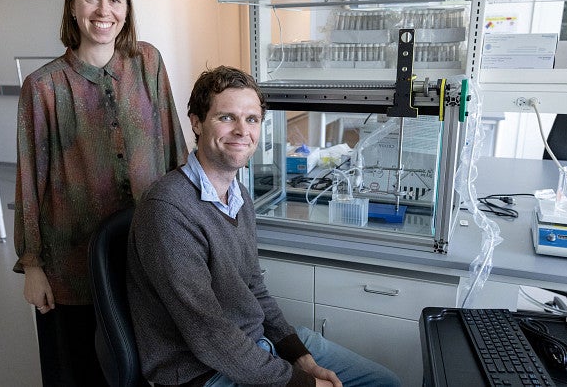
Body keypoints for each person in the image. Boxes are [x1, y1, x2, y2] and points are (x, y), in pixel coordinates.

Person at [127, 66, 401, 387]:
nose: (243, 131)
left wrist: (299, 357)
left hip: (253, 347)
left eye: (252, 119)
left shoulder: (238, 194)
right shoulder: (169, 210)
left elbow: (253, 287)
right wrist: (301, 384)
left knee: (384, 382)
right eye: (226, 117)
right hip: (203, 372)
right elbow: (209, 333)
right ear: (197, 122)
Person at [14, 0, 187, 386]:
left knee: (145, 362)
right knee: (82, 366)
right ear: (73, 5)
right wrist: (32, 264)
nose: (103, 11)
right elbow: (30, 180)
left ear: (126, 9)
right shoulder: (44, 87)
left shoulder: (148, 63)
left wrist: (189, 223)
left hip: (144, 248)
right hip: (73, 261)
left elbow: (174, 147)